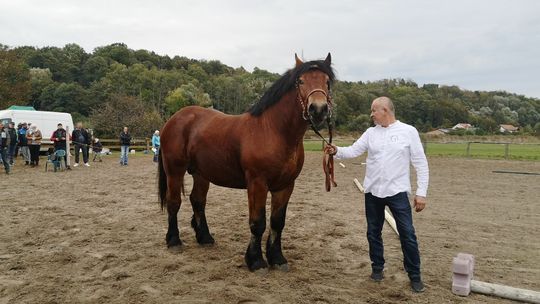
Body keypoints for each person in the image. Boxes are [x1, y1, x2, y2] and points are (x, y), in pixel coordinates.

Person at [325, 96, 429, 293]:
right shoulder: (370, 133)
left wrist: (421, 193)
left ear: (385, 111)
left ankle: (415, 275)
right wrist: (336, 150)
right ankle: (377, 269)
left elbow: (420, 164)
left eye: (374, 110)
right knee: (373, 233)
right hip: (372, 192)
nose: (371, 114)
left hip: (398, 193)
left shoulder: (408, 132)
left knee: (407, 234)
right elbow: (353, 150)